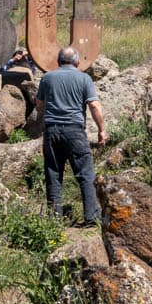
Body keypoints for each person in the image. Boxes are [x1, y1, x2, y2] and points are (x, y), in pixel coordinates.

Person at [36, 45, 106, 226]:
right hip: (74, 130)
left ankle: (54, 219)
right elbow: (94, 105)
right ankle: (91, 217)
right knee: (85, 174)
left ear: (58, 61)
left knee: (53, 174)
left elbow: (39, 104)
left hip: (51, 131)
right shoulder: (84, 78)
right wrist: (101, 129)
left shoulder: (47, 78)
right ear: (77, 62)